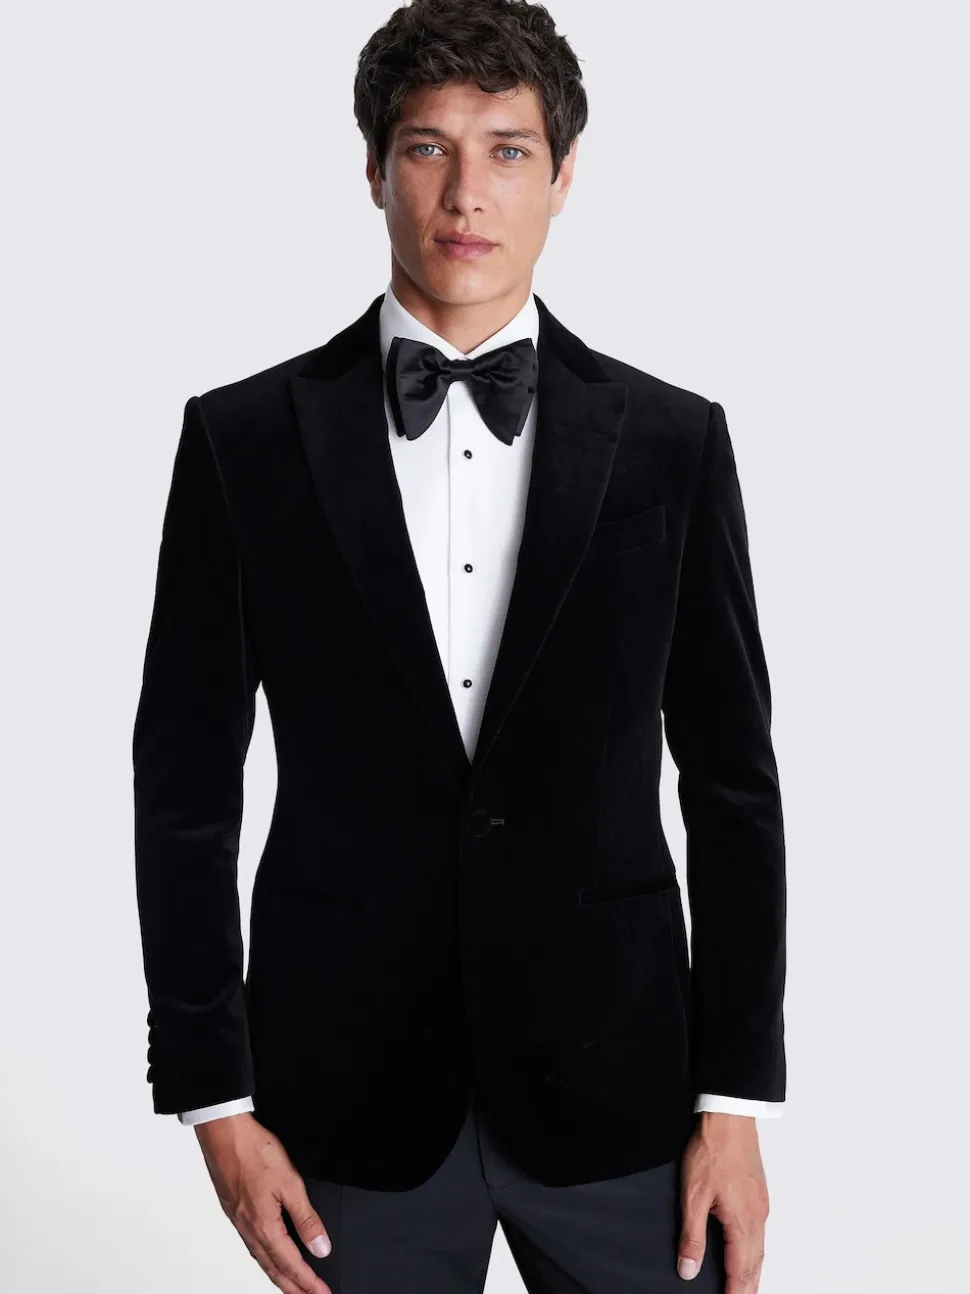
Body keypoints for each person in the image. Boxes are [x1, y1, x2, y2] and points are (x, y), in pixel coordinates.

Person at [132, 2, 786, 1291]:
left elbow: (734, 786)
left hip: (629, 1098)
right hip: (344, 1100)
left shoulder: (674, 442)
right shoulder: (242, 442)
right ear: (374, 167)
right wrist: (214, 1099)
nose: (466, 194)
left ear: (564, 175)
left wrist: (735, 1095)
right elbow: (185, 788)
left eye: (509, 150)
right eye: (428, 148)